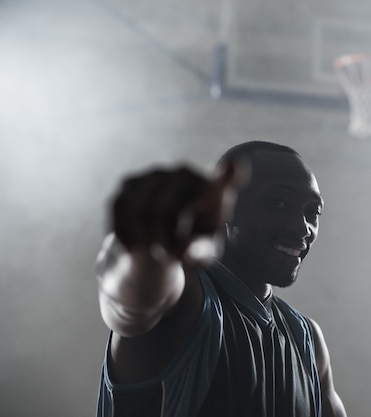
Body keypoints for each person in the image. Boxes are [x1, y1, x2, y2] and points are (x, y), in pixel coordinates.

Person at [95, 141, 347, 417]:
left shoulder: (307, 337)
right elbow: (131, 303)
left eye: (312, 212)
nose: (303, 227)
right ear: (227, 208)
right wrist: (147, 244)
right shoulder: (186, 300)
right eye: (278, 203)